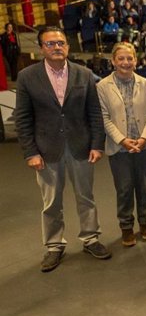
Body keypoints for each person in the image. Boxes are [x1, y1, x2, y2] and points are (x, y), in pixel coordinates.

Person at [14, 26, 111, 272]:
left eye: (61, 43)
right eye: (50, 44)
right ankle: (54, 246)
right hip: (46, 151)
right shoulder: (27, 77)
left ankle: (91, 238)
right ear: (41, 48)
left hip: (81, 146)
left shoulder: (84, 74)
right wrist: (31, 152)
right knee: (51, 202)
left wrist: (97, 145)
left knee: (86, 197)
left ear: (67, 46)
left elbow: (95, 114)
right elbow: (23, 118)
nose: (57, 47)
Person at [97, 43, 146, 247]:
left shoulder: (145, 83)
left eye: (129, 58)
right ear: (113, 61)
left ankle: (145, 222)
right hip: (118, 147)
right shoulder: (102, 86)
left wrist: (144, 138)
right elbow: (104, 118)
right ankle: (126, 226)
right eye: (121, 58)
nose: (125, 62)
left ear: (135, 60)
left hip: (144, 146)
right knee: (123, 188)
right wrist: (122, 139)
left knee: (143, 187)